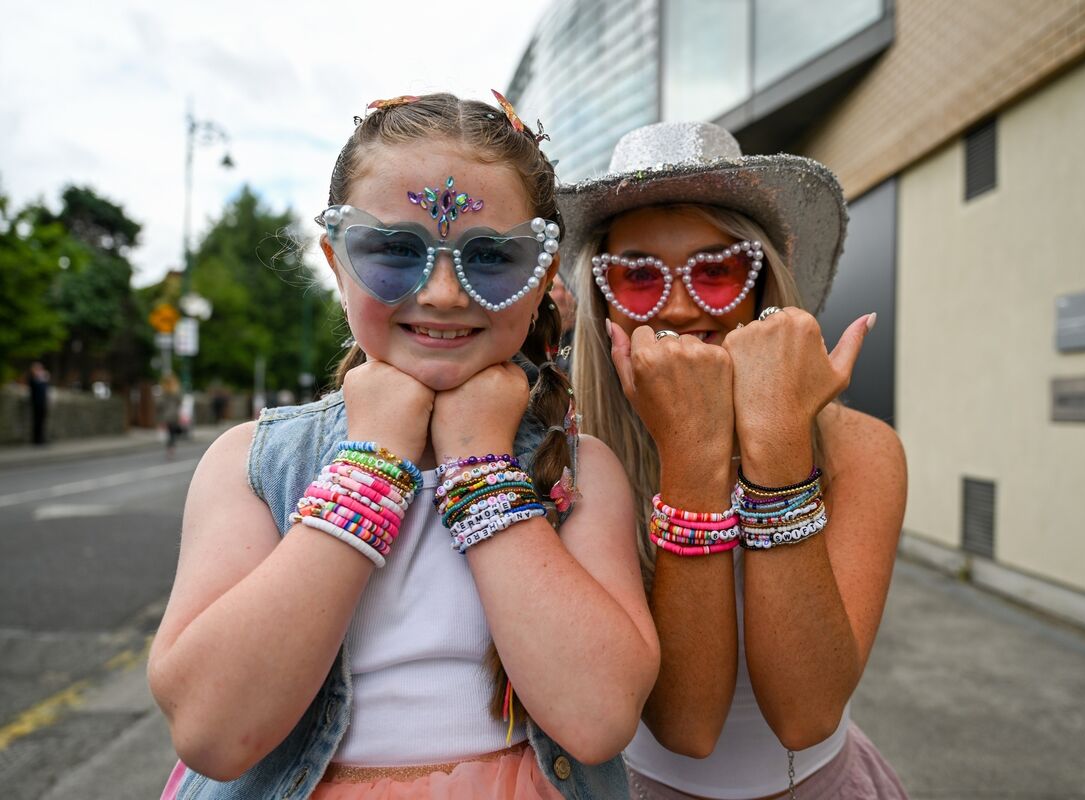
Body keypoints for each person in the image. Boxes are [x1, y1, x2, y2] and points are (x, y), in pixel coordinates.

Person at [147, 93, 659, 800]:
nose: (444, 293)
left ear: (542, 275)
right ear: (336, 261)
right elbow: (213, 729)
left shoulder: (580, 469)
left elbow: (599, 718)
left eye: (492, 258)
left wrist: (480, 466)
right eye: (392, 251)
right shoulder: (254, 465)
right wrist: (373, 461)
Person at [559, 122, 909, 799]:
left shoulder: (862, 449)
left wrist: (778, 441)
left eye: (716, 271)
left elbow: (806, 715)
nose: (685, 307)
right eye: (638, 279)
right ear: (603, 299)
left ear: (761, 283)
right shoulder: (569, 456)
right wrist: (693, 452)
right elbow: (685, 726)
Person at [159, 373, 184, 457]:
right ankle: (172, 447)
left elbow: (160, 404)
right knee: (173, 432)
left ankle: (169, 447)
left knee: (169, 432)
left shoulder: (163, 392)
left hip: (166, 415)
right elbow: (180, 402)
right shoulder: (176, 391)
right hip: (174, 415)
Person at [27, 361, 50, 445]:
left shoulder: (42, 379)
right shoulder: (33, 379)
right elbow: (34, 388)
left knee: (42, 421)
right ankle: (36, 439)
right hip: (36, 403)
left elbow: (45, 389)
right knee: (37, 421)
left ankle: (42, 438)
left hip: (43, 403)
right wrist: (39, 377)